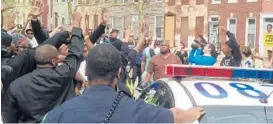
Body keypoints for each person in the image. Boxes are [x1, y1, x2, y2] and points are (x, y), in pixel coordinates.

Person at [42, 44, 205, 123]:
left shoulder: (56, 116)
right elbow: (176, 116)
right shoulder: (139, 111)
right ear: (118, 73)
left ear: (85, 72)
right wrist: (193, 112)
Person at [1, 12, 84, 123]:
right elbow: (74, 54)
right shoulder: (64, 74)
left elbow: (9, 118)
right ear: (55, 60)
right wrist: (76, 27)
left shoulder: (16, 85)